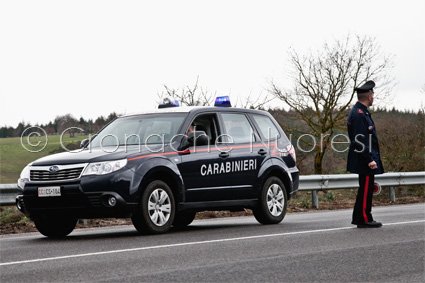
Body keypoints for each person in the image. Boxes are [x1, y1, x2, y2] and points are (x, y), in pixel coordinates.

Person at [347, 80, 384, 228]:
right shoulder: (359, 114)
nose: (373, 97)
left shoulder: (361, 112)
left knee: (366, 189)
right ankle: (364, 218)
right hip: (364, 159)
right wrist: (369, 159)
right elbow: (360, 140)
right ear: (369, 96)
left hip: (364, 158)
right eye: (372, 94)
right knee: (365, 189)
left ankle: (362, 217)